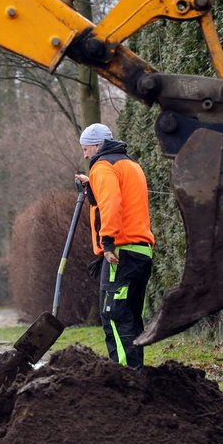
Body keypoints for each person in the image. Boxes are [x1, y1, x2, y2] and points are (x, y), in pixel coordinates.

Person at [75, 123, 154, 369]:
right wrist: (92, 186)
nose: (85, 155)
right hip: (141, 252)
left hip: (120, 253)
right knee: (130, 317)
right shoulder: (130, 164)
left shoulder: (102, 166)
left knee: (114, 316)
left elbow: (111, 204)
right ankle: (137, 376)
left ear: (97, 146)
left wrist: (107, 243)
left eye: (86, 149)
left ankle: (124, 379)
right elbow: (120, 196)